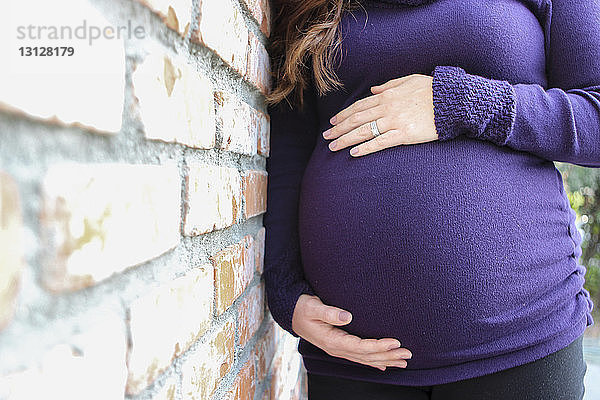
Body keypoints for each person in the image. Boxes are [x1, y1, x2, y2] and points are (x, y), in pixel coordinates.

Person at [262, 0, 599, 398]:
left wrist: (459, 102)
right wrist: (285, 291)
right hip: (352, 360)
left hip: (520, 346)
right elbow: (289, 140)